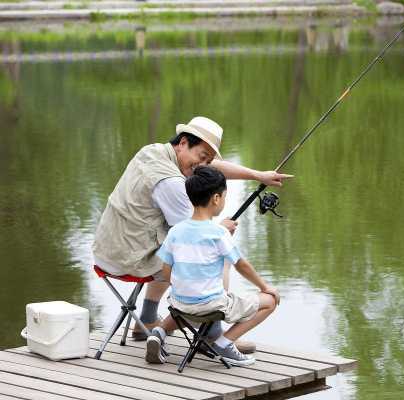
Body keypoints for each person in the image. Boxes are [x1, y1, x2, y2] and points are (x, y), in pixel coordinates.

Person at [92, 116, 291, 352]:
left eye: (208, 159)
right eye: (202, 156)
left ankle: (147, 319)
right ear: (184, 142)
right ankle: (211, 334)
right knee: (213, 253)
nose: (203, 164)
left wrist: (258, 175)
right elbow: (197, 237)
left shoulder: (154, 151)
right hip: (129, 258)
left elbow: (208, 168)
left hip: (107, 249)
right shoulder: (171, 183)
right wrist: (221, 230)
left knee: (173, 245)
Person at [147, 166, 279, 365]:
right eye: (224, 197)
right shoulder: (219, 233)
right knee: (269, 301)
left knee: (191, 302)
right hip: (210, 306)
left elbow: (166, 272)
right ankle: (224, 343)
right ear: (216, 199)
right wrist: (265, 287)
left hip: (179, 304)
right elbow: (241, 265)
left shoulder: (176, 231)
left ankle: (159, 331)